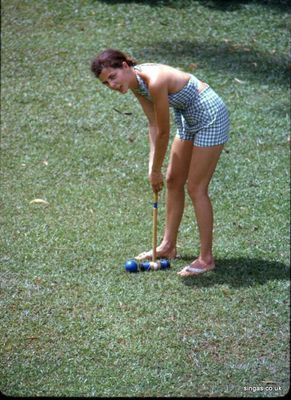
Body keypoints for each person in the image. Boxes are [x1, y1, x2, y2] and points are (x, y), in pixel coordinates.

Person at [91, 49, 230, 276]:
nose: (112, 85)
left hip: (209, 116)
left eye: (112, 77)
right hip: (188, 117)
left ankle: (206, 259)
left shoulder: (154, 81)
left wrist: (155, 169)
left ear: (125, 66)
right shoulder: (135, 84)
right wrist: (152, 170)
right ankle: (168, 246)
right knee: (173, 179)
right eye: (106, 83)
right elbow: (154, 125)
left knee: (196, 187)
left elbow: (164, 132)